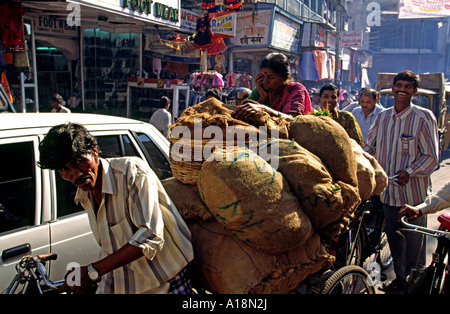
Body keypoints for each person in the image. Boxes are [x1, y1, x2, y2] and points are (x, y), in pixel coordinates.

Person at [38, 122, 194, 294]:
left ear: (94, 151)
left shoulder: (131, 172)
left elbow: (151, 235)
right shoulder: (85, 195)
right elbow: (110, 247)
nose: (75, 175)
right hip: (130, 284)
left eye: (78, 162)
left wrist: (92, 271)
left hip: (166, 283)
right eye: (64, 169)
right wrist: (91, 275)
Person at [364, 70, 440, 293]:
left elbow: (431, 157)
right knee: (394, 238)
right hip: (388, 192)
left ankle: (416, 285)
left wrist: (410, 171)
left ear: (414, 91)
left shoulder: (424, 117)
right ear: (393, 88)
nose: (402, 90)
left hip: (413, 195)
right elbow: (370, 147)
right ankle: (400, 278)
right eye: (399, 86)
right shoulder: (383, 117)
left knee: (415, 243)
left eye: (408, 87)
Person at [234, 52, 312, 120]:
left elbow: (292, 118)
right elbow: (243, 115)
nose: (265, 81)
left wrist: (263, 108)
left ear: (285, 78)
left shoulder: (295, 90)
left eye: (271, 77)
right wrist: (262, 98)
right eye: (262, 76)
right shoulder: (259, 90)